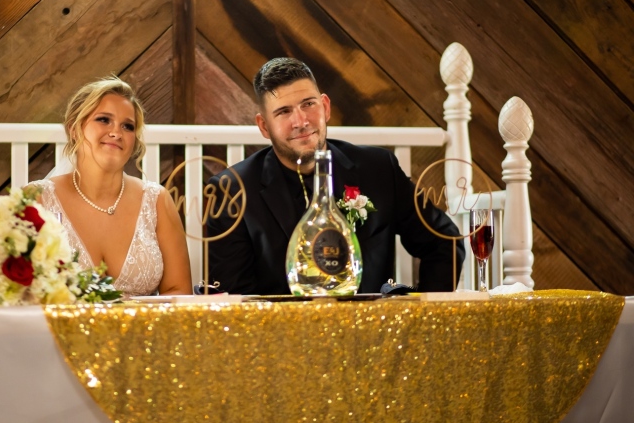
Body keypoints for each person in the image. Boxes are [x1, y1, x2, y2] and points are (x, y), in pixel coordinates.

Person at [206, 58, 464, 295]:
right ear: (264, 126)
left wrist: (418, 318)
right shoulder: (232, 190)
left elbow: (444, 242)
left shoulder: (379, 169)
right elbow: (234, 298)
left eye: (308, 104)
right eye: (283, 112)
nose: (301, 121)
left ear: (325, 107)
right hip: (283, 340)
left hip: (372, 336)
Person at [30, 78, 192, 296]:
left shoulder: (157, 200)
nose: (116, 132)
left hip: (143, 328)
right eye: (104, 120)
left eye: (128, 126)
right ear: (75, 129)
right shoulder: (37, 199)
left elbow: (179, 290)